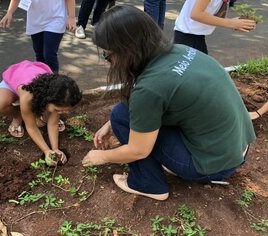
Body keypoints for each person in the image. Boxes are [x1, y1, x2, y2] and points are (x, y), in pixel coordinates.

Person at [82, 5, 256, 201]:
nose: (108, 61)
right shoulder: (181, 50)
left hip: (213, 166)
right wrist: (110, 125)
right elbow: (164, 100)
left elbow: (138, 150)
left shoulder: (150, 89)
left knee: (120, 116)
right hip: (237, 148)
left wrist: (102, 157)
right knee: (121, 113)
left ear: (126, 50)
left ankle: (148, 184)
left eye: (108, 55)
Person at [0, 60, 82, 165]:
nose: (63, 112)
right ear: (47, 99)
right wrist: (46, 150)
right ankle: (19, 116)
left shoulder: (60, 94)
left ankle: (39, 113)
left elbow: (53, 124)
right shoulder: (27, 95)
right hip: (16, 79)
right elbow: (31, 127)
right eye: (58, 109)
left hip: (35, 78)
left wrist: (55, 148)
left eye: (67, 110)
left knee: (50, 118)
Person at [0, 0, 76, 73]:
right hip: (35, 19)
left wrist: (71, 17)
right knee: (39, 54)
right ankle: (42, 80)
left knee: (49, 54)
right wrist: (9, 12)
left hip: (56, 17)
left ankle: (54, 82)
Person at [174, 0, 256, 54]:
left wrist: (236, 23)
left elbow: (208, 14)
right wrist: (231, 23)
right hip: (187, 39)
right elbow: (196, 14)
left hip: (195, 38)